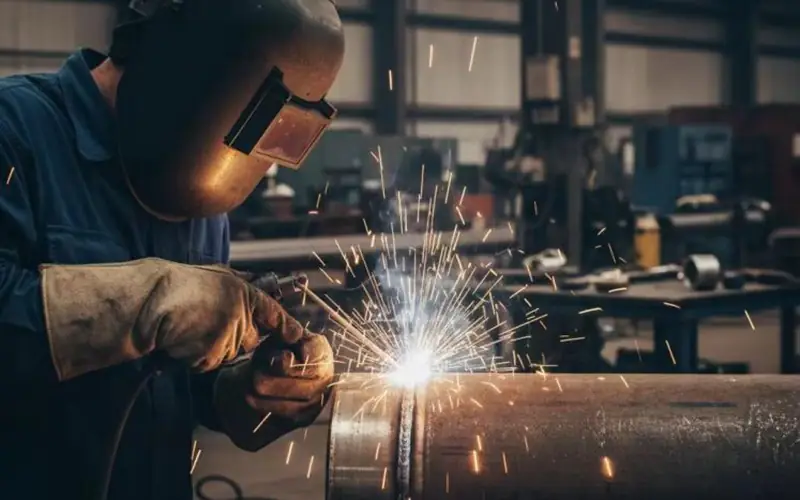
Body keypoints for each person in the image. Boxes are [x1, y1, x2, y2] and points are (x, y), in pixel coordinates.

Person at [0, 1, 344, 499]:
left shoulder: (202, 195)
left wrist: (241, 390)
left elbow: (173, 379)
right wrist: (145, 302)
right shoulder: (14, 131)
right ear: (186, 68)